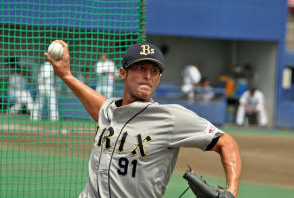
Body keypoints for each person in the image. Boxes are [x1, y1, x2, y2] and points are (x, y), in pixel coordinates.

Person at [45, 40, 242, 198]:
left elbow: (226, 142)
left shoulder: (171, 118)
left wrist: (231, 193)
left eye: (154, 71)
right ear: (123, 73)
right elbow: (100, 106)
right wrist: (65, 75)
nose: (147, 75)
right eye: (140, 68)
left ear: (159, 78)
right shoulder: (109, 111)